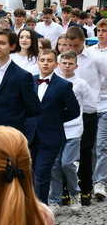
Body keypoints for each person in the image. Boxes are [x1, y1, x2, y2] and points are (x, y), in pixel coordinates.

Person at [27, 50, 81, 204]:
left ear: (56, 64)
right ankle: (29, 207)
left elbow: (74, 111)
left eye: (49, 60)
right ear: (38, 62)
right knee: (29, 173)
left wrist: (55, 120)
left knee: (42, 173)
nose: (45, 63)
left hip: (50, 137)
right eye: (42, 60)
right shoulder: (29, 81)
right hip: (29, 136)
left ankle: (41, 209)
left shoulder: (63, 85)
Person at [67, 25, 107, 204]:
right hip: (72, 111)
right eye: (70, 46)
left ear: (83, 41)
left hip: (95, 108)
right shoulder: (65, 58)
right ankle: (77, 185)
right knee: (76, 150)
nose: (73, 49)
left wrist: (98, 95)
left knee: (95, 147)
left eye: (76, 46)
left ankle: (94, 184)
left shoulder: (95, 57)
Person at [0, 29, 41, 135]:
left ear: (12, 46)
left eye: (2, 43)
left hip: (11, 135)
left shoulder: (23, 76)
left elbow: (33, 108)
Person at [50, 51, 92, 211]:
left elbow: (89, 105)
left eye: (70, 64)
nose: (67, 66)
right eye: (64, 63)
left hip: (73, 129)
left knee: (67, 164)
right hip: (55, 129)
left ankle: (75, 194)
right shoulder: (53, 82)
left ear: (76, 65)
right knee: (54, 165)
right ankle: (54, 199)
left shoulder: (81, 83)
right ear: (58, 64)